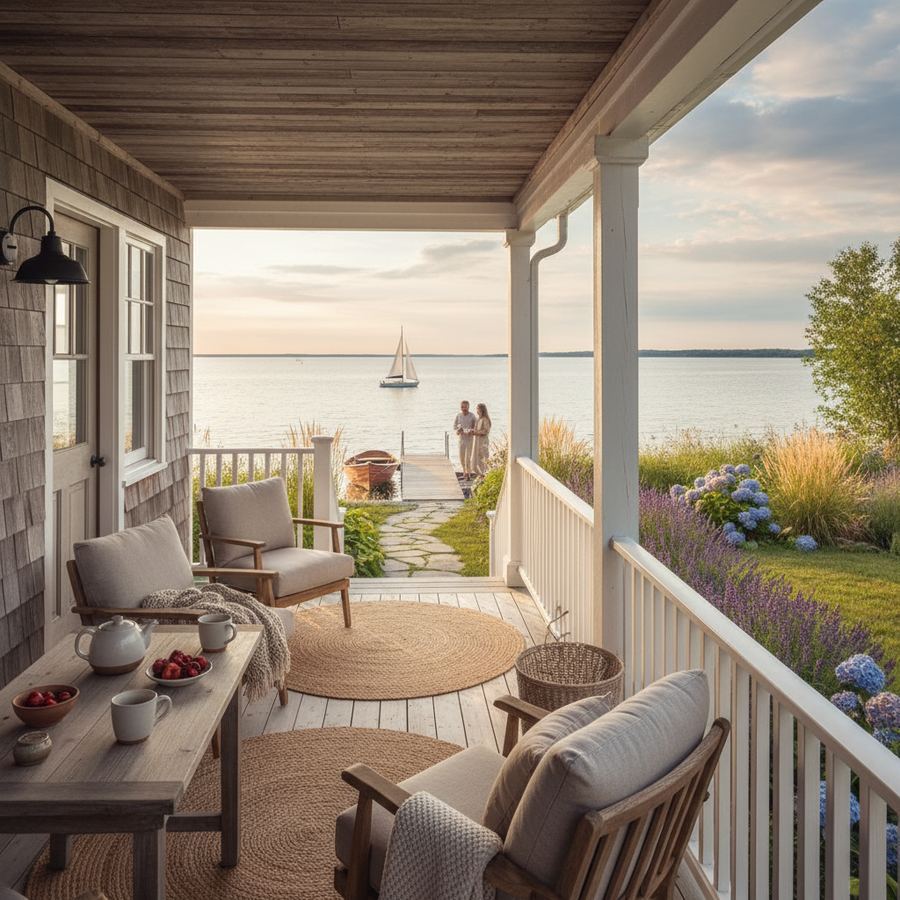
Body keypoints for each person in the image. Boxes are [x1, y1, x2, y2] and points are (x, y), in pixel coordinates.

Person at [453, 400, 477, 478]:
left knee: (468, 457)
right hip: (461, 439)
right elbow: (455, 426)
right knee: (461, 457)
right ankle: (464, 471)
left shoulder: (472, 416)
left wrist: (471, 431)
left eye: (465, 407)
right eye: (462, 407)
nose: (463, 408)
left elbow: (475, 427)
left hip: (469, 439)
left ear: (468, 407)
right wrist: (458, 430)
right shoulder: (458, 415)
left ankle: (468, 473)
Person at [472, 403, 492, 476]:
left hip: (483, 442)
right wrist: (472, 431)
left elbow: (486, 431)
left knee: (483, 461)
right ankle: (481, 476)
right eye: (477, 409)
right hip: (476, 442)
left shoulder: (485, 419)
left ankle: (484, 477)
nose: (477, 410)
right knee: (474, 463)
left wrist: (476, 432)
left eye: (478, 409)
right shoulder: (478, 419)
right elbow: (476, 430)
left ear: (481, 409)